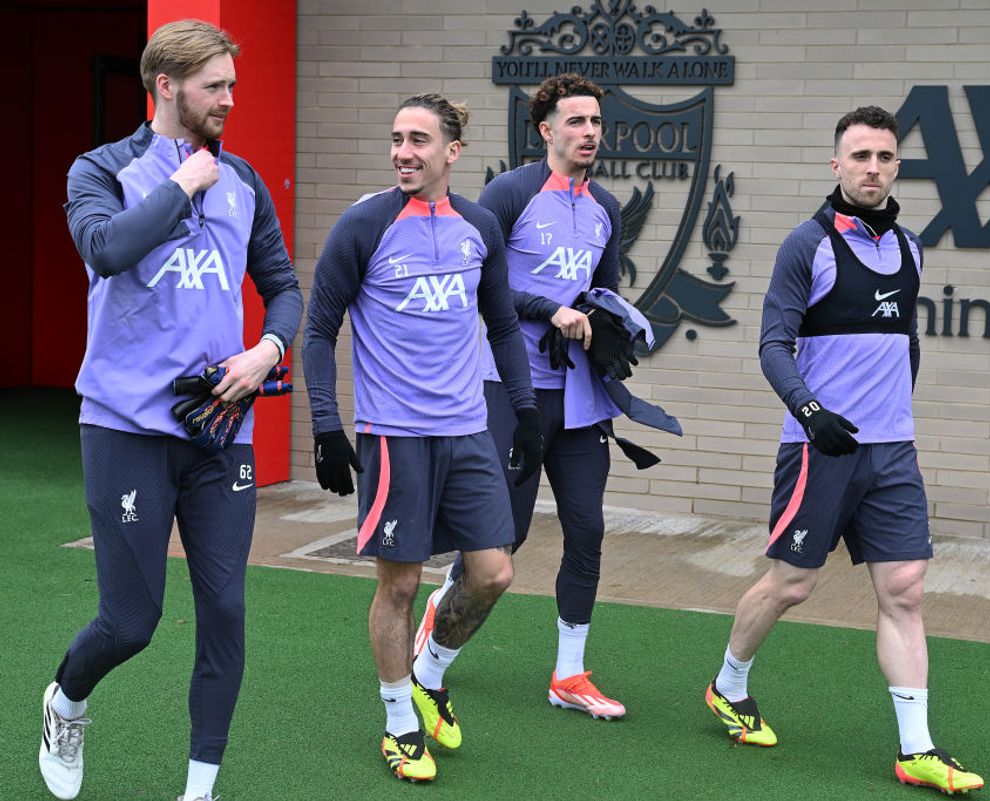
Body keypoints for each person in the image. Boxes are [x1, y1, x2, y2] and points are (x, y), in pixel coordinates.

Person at [40, 19, 303, 801]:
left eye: (231, 84)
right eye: (215, 86)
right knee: (132, 621)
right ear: (166, 86)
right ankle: (66, 699)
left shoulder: (246, 181)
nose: (230, 99)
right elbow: (106, 249)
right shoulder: (101, 168)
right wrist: (184, 183)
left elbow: (285, 287)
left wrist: (266, 352)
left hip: (222, 431)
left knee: (224, 609)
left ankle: (200, 789)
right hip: (125, 429)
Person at [703, 106, 984, 795]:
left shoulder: (912, 248)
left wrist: (896, 411)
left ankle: (916, 748)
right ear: (837, 164)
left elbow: (907, 341)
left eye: (885, 157)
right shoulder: (809, 243)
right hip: (818, 448)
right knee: (791, 584)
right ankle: (727, 683)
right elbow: (773, 343)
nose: (872, 168)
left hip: (892, 453)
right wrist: (811, 409)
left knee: (905, 590)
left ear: (896, 167)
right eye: (860, 156)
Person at [302, 94, 543, 783]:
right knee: (400, 583)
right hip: (394, 436)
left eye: (418, 139)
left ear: (452, 152)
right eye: (396, 138)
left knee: (494, 571)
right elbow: (319, 328)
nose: (403, 151)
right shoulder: (365, 224)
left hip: (468, 430)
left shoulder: (478, 227)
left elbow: (501, 325)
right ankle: (398, 719)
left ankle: (429, 672)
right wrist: (325, 423)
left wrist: (522, 411)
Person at [412, 72, 653, 725]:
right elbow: (478, 286)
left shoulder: (605, 206)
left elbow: (601, 298)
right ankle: (438, 633)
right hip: (505, 389)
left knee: (588, 529)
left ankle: (569, 673)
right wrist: (552, 309)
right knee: (503, 539)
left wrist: (609, 327)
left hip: (578, 399)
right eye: (576, 122)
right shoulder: (511, 193)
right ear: (546, 130)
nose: (589, 133)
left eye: (596, 123)